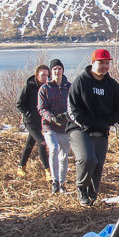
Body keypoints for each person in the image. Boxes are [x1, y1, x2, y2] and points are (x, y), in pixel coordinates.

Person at [66, 48, 119, 206]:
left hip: (101, 129)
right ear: (93, 63)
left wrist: (109, 122)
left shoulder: (112, 85)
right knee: (87, 159)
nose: (104, 66)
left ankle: (92, 194)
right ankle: (82, 187)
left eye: (107, 63)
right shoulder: (81, 82)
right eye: (101, 63)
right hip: (79, 128)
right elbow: (72, 108)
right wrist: (86, 124)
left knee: (98, 164)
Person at [38, 59, 72, 194]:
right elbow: (41, 109)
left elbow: (74, 106)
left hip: (65, 126)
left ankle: (62, 183)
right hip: (49, 126)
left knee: (64, 154)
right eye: (54, 69)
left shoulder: (69, 87)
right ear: (51, 72)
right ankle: (55, 181)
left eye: (59, 68)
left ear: (63, 70)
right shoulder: (45, 88)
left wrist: (65, 116)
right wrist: (52, 118)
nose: (57, 71)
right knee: (53, 148)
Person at [16, 64, 51, 181]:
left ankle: (21, 166)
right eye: (43, 75)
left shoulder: (46, 87)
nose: (45, 77)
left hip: (40, 121)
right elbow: (19, 104)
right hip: (30, 121)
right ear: (37, 75)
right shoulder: (29, 87)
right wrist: (28, 113)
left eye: (47, 75)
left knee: (30, 144)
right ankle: (48, 171)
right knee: (42, 142)